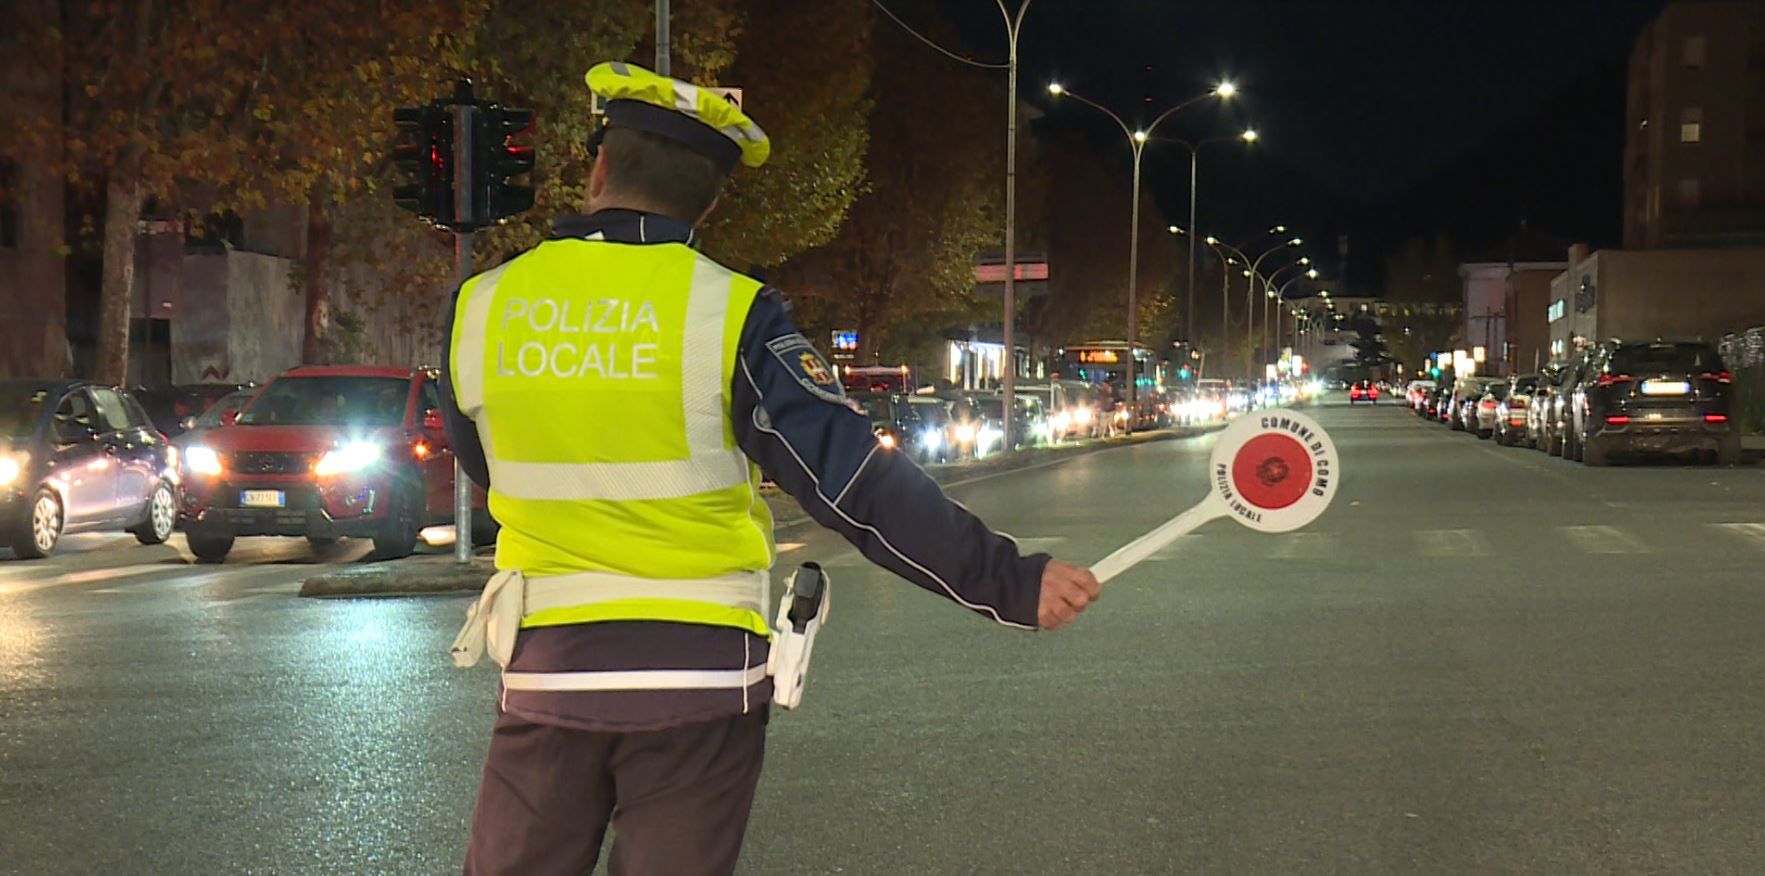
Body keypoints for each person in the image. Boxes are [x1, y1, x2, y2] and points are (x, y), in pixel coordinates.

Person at [442, 61, 1101, 876]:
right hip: (699, 685)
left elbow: (483, 465)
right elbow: (853, 482)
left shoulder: (483, 304)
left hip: (548, 674)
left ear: (598, 168)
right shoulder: (730, 311)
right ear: (711, 200)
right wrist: (1010, 581)